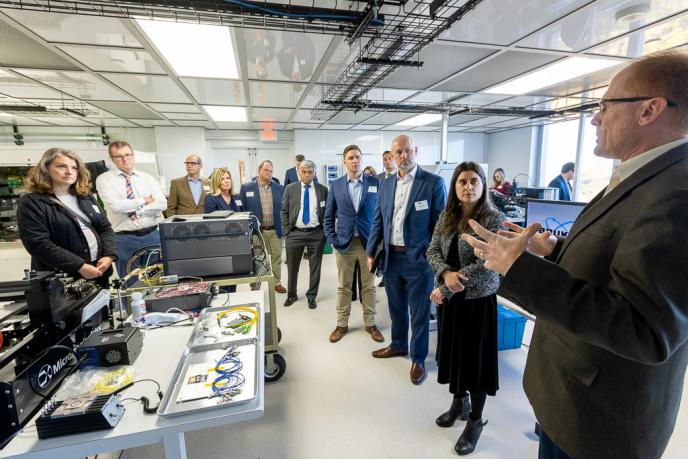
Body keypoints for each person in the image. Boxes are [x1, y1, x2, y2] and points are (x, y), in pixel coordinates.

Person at [461, 51, 688, 459]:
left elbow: (645, 329)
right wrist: (556, 250)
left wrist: (517, 268)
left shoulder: (677, 194)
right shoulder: (638, 176)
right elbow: (620, 261)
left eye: (604, 105)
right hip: (572, 401)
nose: (595, 118)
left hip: (600, 424)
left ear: (650, 110)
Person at [426, 162, 506, 455]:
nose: (468, 187)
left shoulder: (494, 220)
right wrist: (445, 273)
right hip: (452, 303)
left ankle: (475, 421)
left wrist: (446, 285)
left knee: (475, 364)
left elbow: (489, 266)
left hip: (477, 303)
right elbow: (431, 249)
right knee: (453, 355)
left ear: (484, 185)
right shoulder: (448, 215)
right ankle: (459, 403)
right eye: (462, 182)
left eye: (474, 181)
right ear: (455, 187)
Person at [366, 135, 446, 385]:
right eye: (398, 152)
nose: (403, 156)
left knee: (419, 312)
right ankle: (398, 345)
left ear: (416, 151)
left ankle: (418, 358)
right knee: (396, 308)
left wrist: (433, 259)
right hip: (391, 257)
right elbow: (379, 219)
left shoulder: (432, 182)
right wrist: (371, 251)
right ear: (391, 155)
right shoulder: (386, 184)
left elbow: (440, 227)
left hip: (419, 261)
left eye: (407, 151)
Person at [17, 148, 116, 289]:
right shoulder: (32, 202)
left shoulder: (85, 196)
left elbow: (105, 228)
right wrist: (79, 266)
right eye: (61, 166)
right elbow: (38, 243)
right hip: (62, 278)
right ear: (46, 169)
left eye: (74, 168)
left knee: (101, 309)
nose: (69, 171)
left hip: (97, 271)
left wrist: (109, 256)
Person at [324, 145, 383, 343]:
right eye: (351, 158)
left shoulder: (376, 183)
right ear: (345, 161)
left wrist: (379, 242)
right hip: (344, 245)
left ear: (361, 159)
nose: (355, 160)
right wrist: (332, 240)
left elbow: (382, 214)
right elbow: (328, 217)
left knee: (369, 287)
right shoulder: (337, 185)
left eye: (358, 157)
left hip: (369, 244)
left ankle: (370, 323)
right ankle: (341, 324)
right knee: (344, 287)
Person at [96, 141, 166, 277]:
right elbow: (115, 206)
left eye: (127, 154)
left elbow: (162, 204)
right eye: (118, 156)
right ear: (112, 159)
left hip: (152, 236)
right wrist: (143, 200)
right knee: (129, 281)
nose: (124, 159)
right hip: (124, 239)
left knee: (158, 278)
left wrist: (138, 210)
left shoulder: (147, 178)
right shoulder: (104, 180)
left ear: (133, 156)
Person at [281, 160, 328, 309]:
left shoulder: (322, 190)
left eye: (310, 172)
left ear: (315, 173)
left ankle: (311, 296)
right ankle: (292, 295)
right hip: (295, 233)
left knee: (315, 267)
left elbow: (327, 213)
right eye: (304, 172)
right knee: (292, 267)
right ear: (299, 172)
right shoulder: (290, 188)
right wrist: (287, 231)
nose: (307, 175)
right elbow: (284, 211)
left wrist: (324, 232)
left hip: (316, 234)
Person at [239, 160, 286, 294]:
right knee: (257, 258)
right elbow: (242, 210)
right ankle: (255, 286)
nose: (269, 173)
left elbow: (284, 209)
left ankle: (276, 282)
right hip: (257, 231)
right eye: (266, 170)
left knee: (277, 257)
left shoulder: (279, 188)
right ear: (259, 171)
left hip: (275, 230)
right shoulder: (247, 188)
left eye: (271, 171)